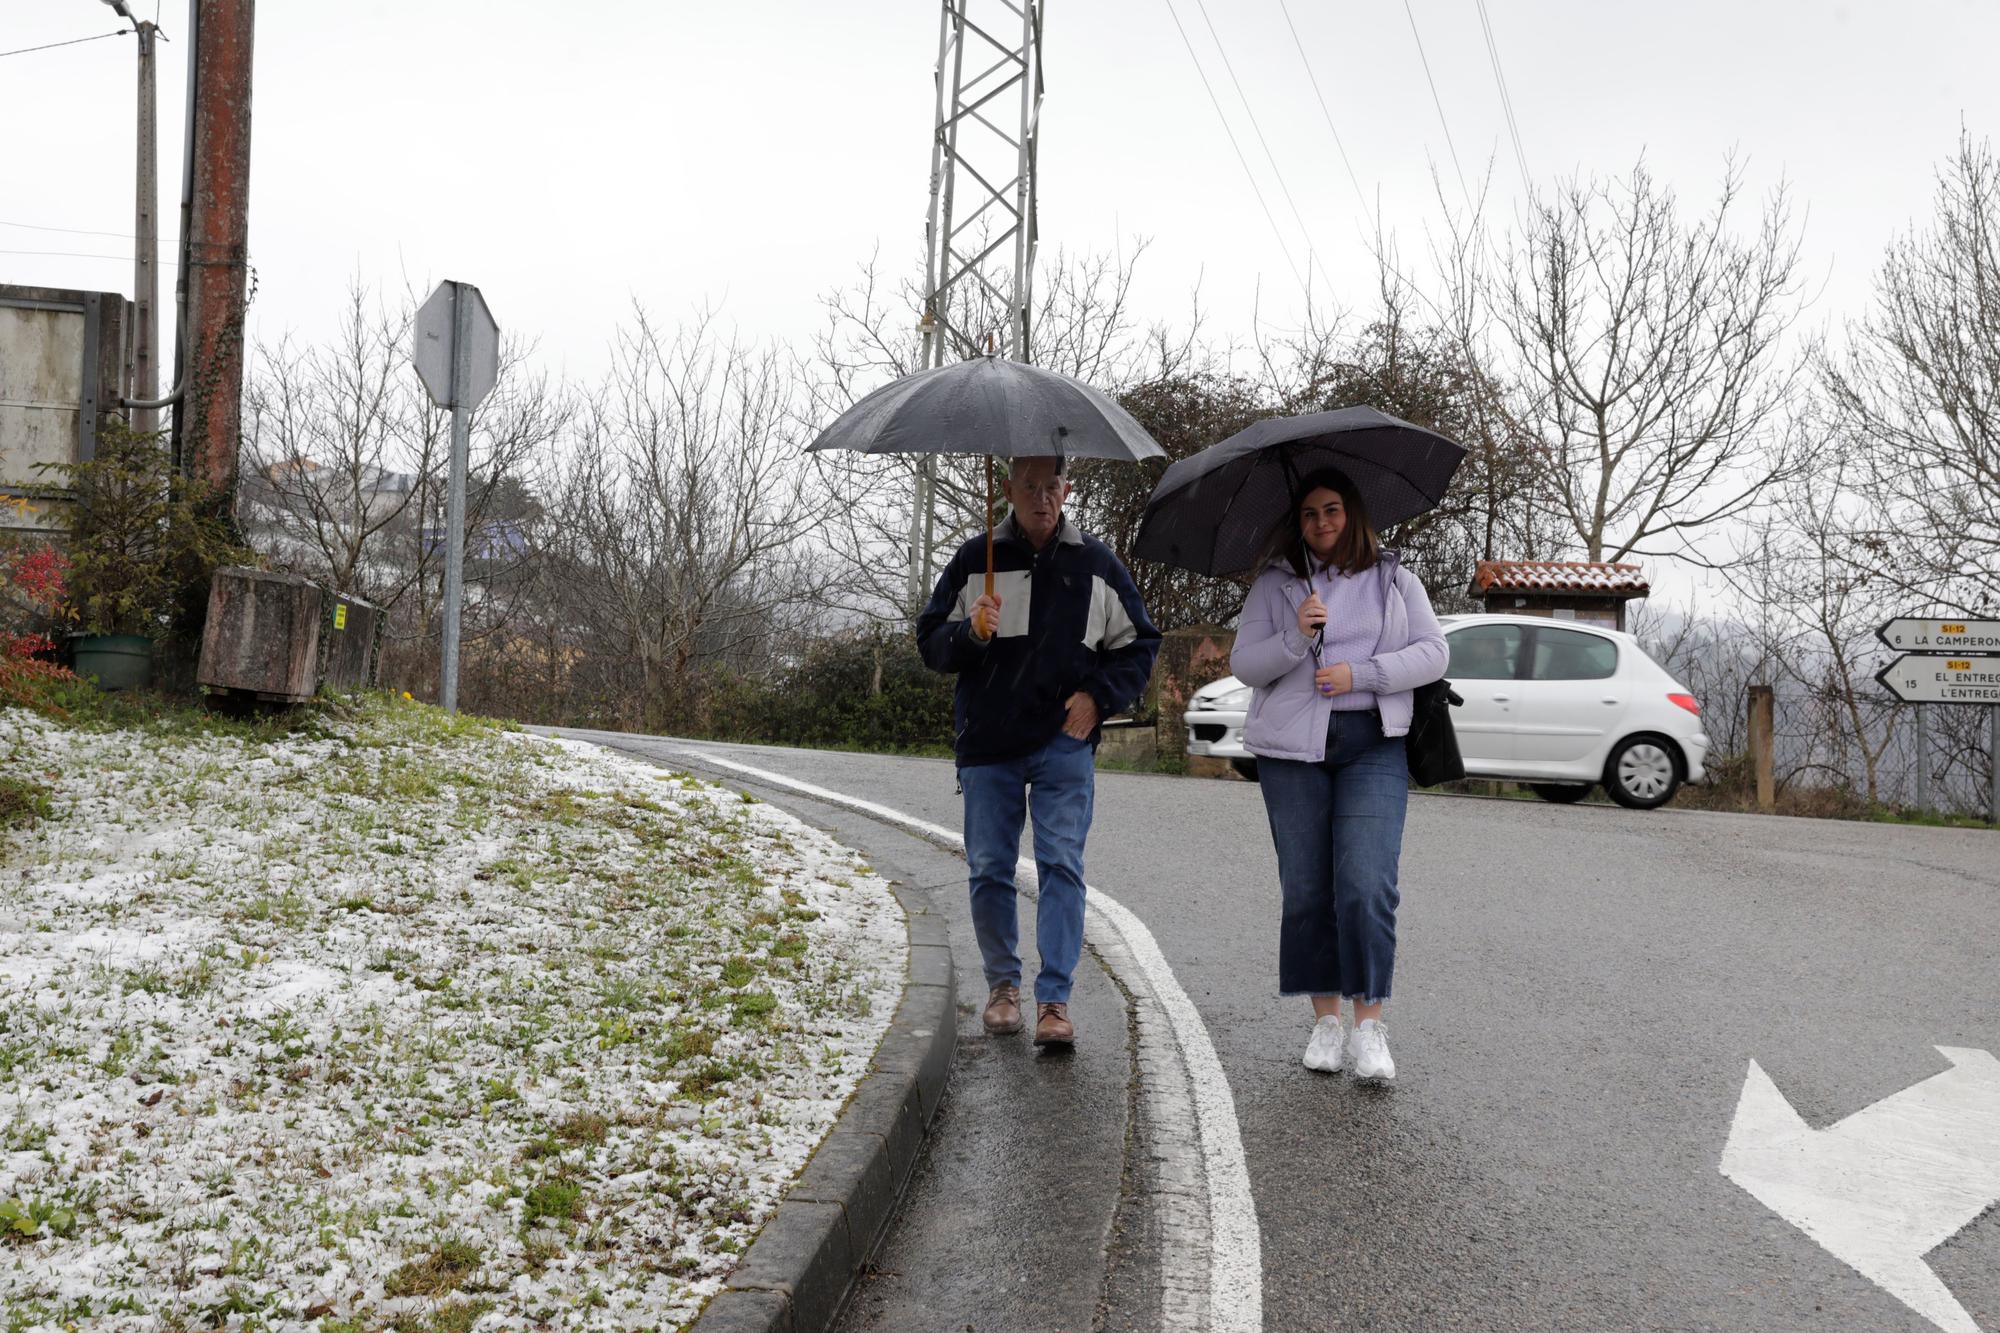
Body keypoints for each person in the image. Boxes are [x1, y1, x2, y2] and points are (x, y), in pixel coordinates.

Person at [916, 455, 1162, 1047]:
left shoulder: (1097, 565)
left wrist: (1098, 698)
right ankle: (1003, 987)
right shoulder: (976, 561)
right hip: (989, 743)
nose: (1042, 498)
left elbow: (1140, 642)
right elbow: (930, 642)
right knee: (989, 870)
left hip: (1063, 741)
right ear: (1008, 490)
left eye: (1051, 486)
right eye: (1029, 487)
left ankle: (1054, 1001)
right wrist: (970, 634)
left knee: (1061, 867)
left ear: (1066, 489)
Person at [1228, 467, 1446, 1082]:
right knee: (1306, 890)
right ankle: (1325, 1020)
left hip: (1373, 744)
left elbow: (1434, 652)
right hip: (1292, 751)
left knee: (1366, 884)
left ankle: (1369, 1027)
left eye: (1331, 510)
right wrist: (1297, 638)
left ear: (1350, 513)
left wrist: (1363, 675)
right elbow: (1246, 663)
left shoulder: (1395, 578)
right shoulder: (1277, 584)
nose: (1321, 523)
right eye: (1308, 515)